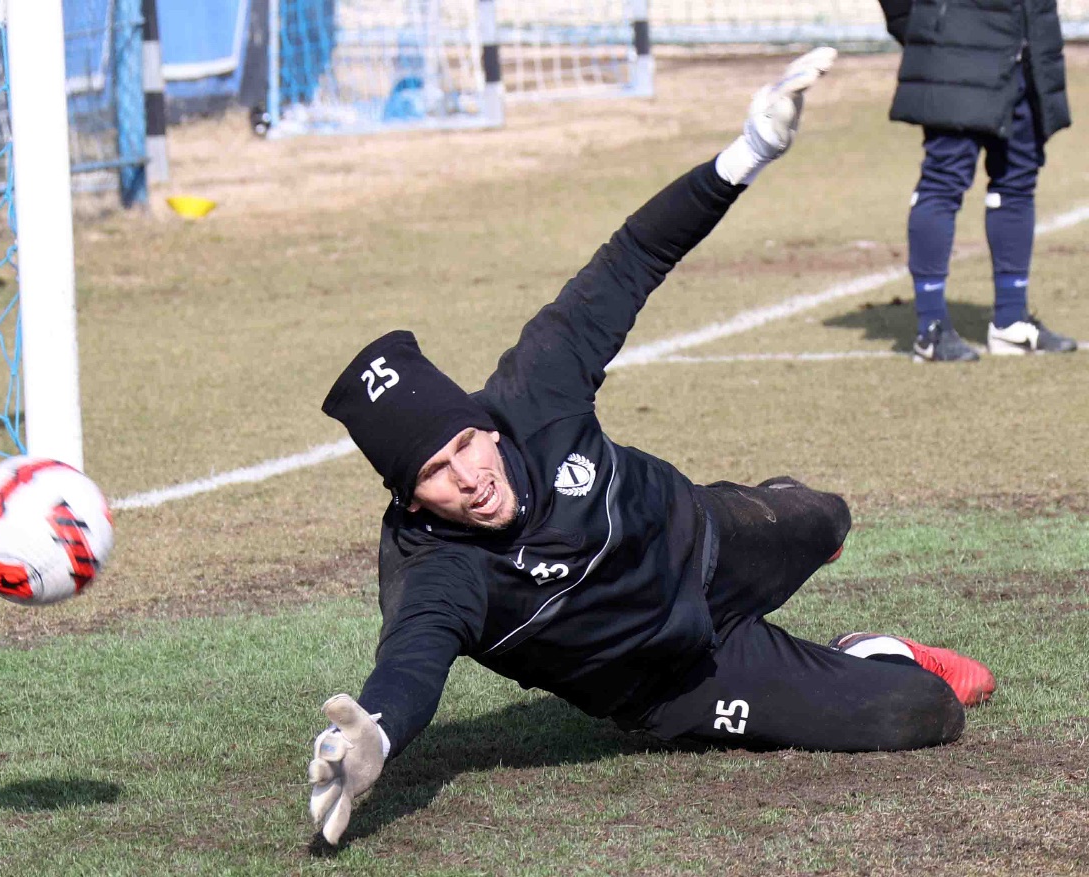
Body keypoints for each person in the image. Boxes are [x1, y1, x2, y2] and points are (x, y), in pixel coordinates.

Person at [307, 48, 996, 847]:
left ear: (483, 423)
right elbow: (409, 664)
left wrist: (750, 151)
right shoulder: (435, 571)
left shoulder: (537, 388)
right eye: (434, 472)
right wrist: (376, 733)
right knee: (924, 712)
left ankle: (784, 510)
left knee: (828, 517)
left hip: (708, 538)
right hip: (678, 681)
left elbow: (633, 256)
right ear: (407, 496)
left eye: (465, 443)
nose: (468, 476)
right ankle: (872, 650)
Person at [878, 0, 1077, 362]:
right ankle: (931, 329)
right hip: (957, 52)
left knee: (1017, 182)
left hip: (1028, 52)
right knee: (944, 181)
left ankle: (1011, 322)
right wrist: (929, 29)